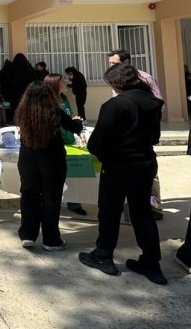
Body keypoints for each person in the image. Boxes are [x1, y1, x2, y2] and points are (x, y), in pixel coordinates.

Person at [79, 63, 166, 285]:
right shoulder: (153, 102)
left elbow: (97, 143)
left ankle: (103, 255)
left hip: (118, 165)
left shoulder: (115, 105)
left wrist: (101, 151)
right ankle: (152, 263)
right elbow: (155, 137)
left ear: (115, 83)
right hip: (145, 163)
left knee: (110, 211)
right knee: (142, 213)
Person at [15, 80, 83, 251]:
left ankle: (27, 234)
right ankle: (51, 240)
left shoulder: (22, 111)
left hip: (27, 157)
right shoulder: (55, 111)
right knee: (51, 197)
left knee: (28, 194)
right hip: (52, 158)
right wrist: (78, 121)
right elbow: (74, 128)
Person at [107, 49, 164, 220]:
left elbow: (158, 103)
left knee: (150, 177)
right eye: (110, 64)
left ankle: (154, 206)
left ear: (126, 62)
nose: (111, 66)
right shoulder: (115, 79)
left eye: (114, 63)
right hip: (123, 137)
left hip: (142, 135)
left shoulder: (145, 78)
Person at [44, 73, 87, 217]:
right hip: (58, 143)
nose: (66, 82)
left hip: (69, 139)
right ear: (55, 84)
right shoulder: (49, 102)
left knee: (74, 175)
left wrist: (75, 123)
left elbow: (68, 116)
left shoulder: (64, 98)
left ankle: (74, 203)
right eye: (62, 81)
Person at [8, 53, 37, 124]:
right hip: (28, 92)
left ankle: (17, 121)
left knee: (17, 107)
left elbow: (9, 82)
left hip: (16, 93)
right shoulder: (30, 70)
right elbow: (35, 80)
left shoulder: (12, 70)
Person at [0, 58, 14, 123]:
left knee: (6, 105)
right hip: (12, 91)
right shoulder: (13, 72)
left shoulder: (1, 72)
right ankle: (12, 119)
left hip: (5, 91)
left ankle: (8, 120)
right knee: (13, 105)